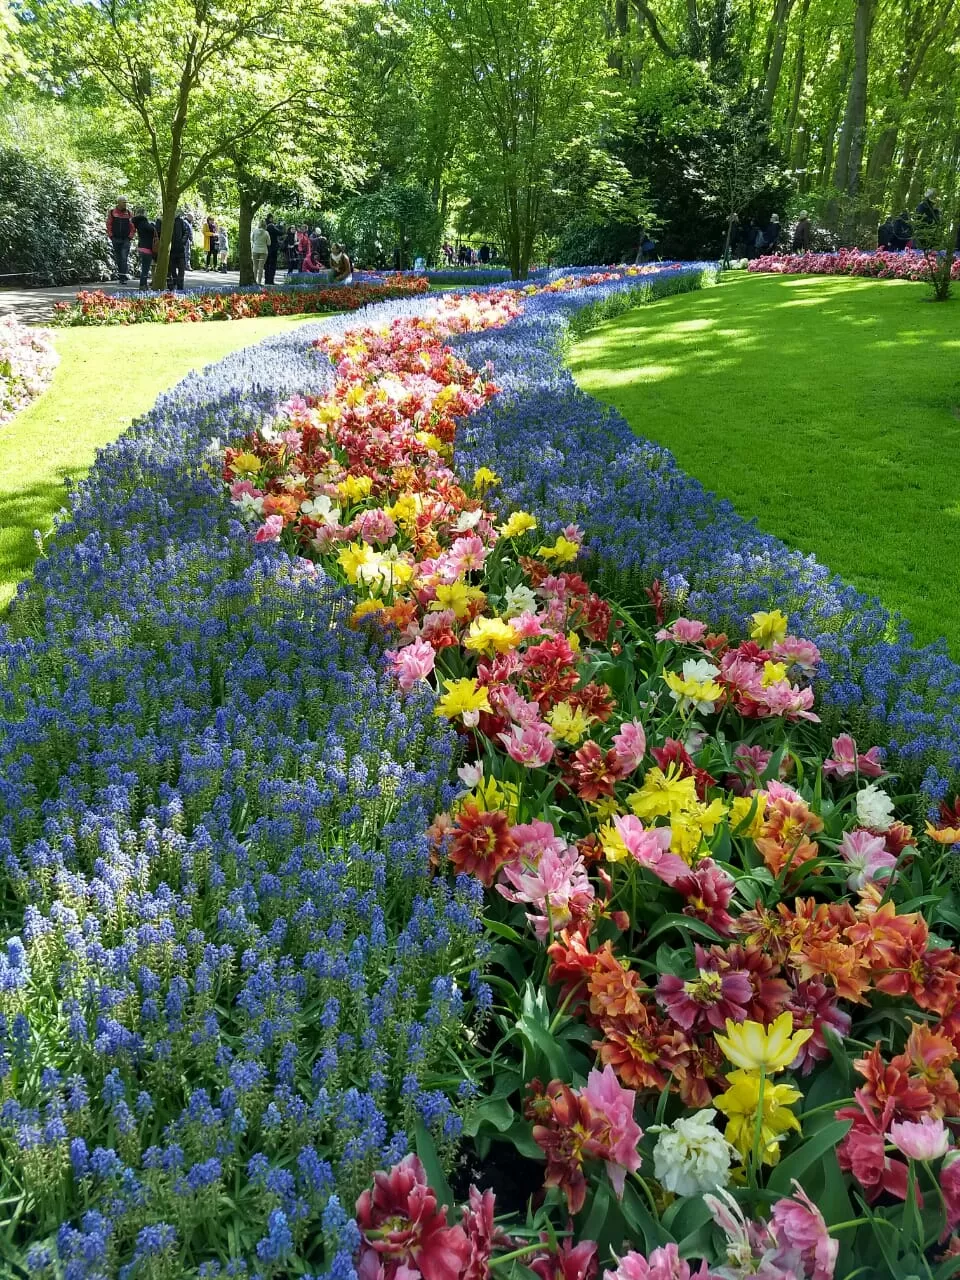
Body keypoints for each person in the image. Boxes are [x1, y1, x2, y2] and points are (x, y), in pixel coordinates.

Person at [106, 197, 135, 283]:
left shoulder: (129, 213)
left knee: (123, 257)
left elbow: (132, 226)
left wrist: (130, 236)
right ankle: (122, 275)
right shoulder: (112, 212)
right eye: (123, 202)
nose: (125, 204)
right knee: (118, 258)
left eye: (126, 202)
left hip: (126, 239)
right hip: (116, 238)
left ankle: (123, 277)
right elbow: (109, 224)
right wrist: (111, 236)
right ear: (118, 203)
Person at [132, 208, 156, 290]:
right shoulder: (144, 222)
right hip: (147, 248)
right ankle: (143, 284)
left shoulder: (137, 223)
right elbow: (152, 230)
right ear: (143, 214)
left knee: (144, 267)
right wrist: (153, 225)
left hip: (141, 247)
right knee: (145, 268)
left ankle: (143, 284)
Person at [168, 210, 189, 290]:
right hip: (171, 249)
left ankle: (180, 284)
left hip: (179, 248)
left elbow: (186, 232)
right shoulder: (167, 221)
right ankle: (174, 281)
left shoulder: (181, 222)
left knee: (181, 268)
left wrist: (182, 242)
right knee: (172, 268)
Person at [264, 215, 280, 285]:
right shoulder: (271, 226)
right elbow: (280, 232)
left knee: (266, 265)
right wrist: (280, 226)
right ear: (271, 218)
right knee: (272, 265)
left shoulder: (264, 226)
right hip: (273, 248)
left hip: (265, 248)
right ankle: (271, 280)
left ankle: (266, 280)